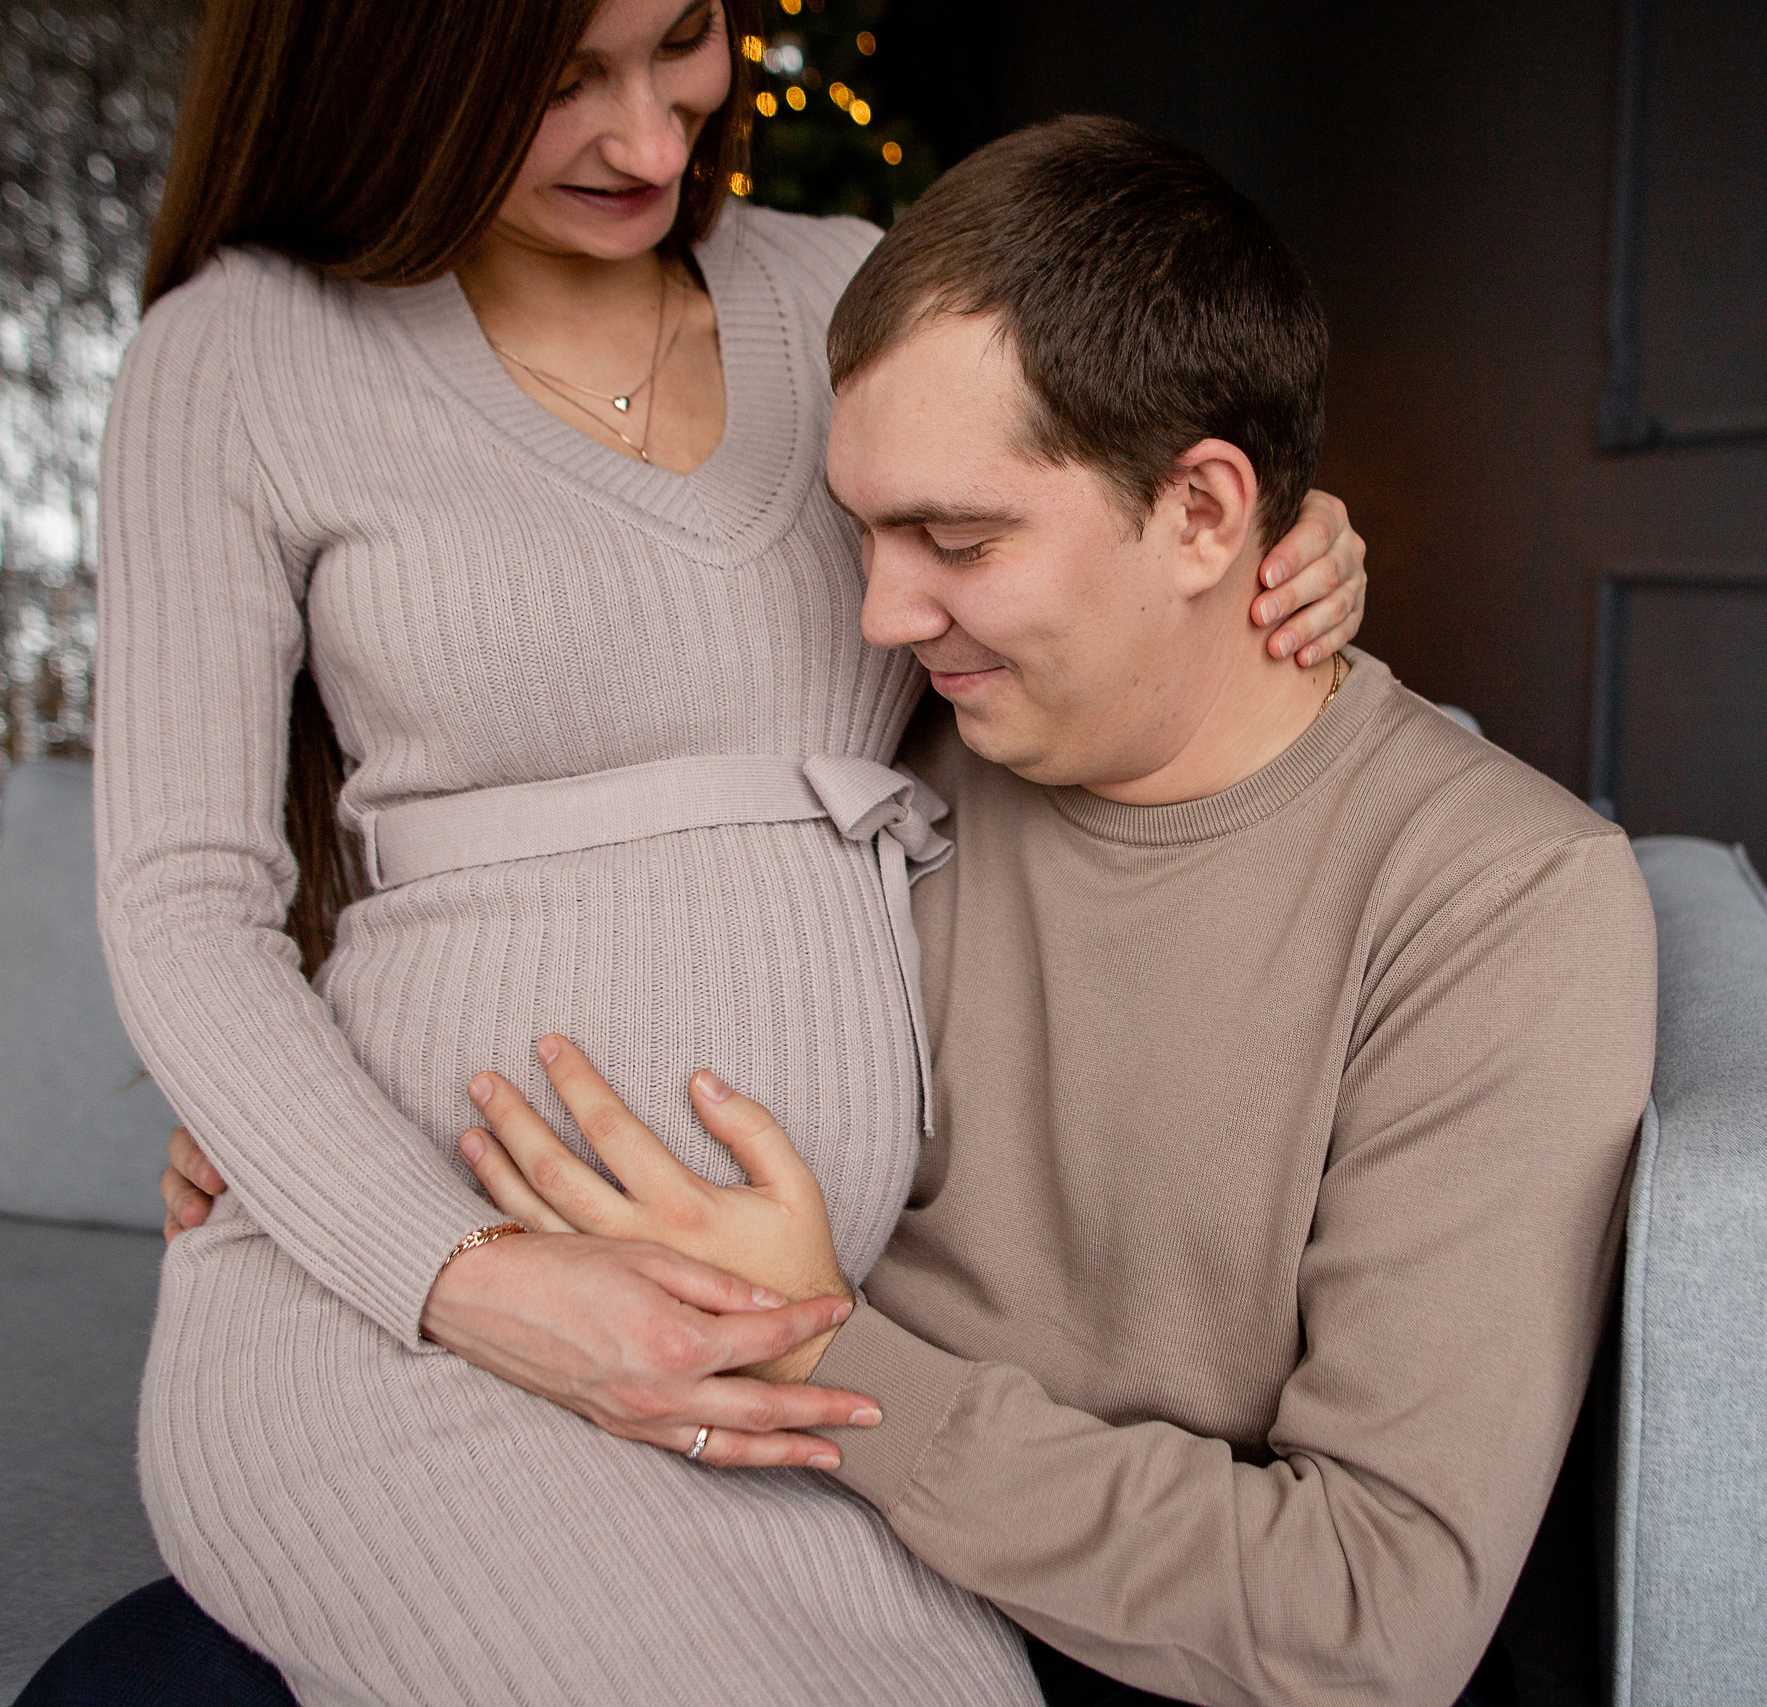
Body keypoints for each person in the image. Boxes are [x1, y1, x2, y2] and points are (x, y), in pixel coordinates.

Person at [151, 117, 1654, 1706]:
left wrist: (821, 1355)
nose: (878, 613)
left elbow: (1368, 1610)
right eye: (862, 533)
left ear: (1212, 517)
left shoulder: (1505, 905)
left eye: (957, 540)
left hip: (1045, 1597)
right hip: (684, 1484)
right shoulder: (909, 730)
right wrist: (316, 1109)